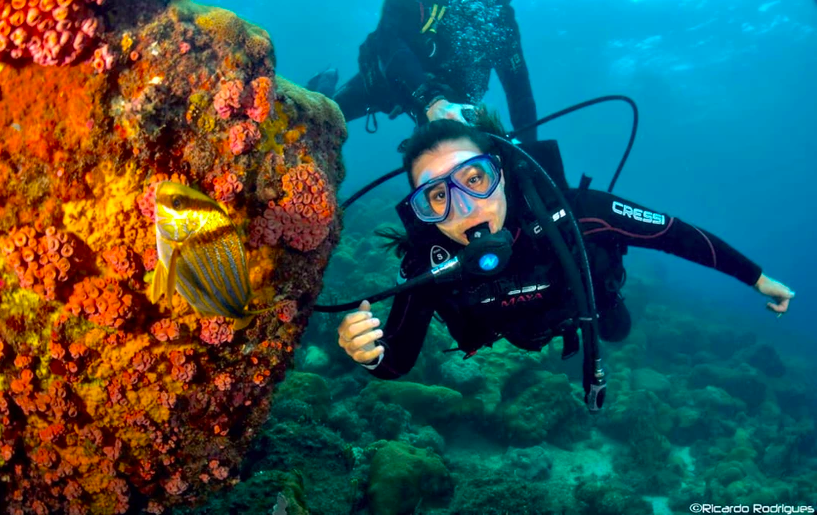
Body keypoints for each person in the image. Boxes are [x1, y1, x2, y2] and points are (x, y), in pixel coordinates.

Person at [335, 113, 796, 379]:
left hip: (585, 306)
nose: (465, 207)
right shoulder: (429, 259)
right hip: (510, 332)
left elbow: (674, 233)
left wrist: (758, 279)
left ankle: (608, 295)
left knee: (618, 331)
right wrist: (369, 353)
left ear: (502, 173)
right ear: (423, 209)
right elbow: (396, 358)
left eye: (475, 179)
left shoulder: (573, 212)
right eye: (438, 195)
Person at [307, 0, 538, 141]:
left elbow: (520, 94)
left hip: (448, 102)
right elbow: (387, 39)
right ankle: (324, 84)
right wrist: (432, 101)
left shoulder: (500, 20)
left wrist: (532, 150)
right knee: (323, 119)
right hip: (390, 81)